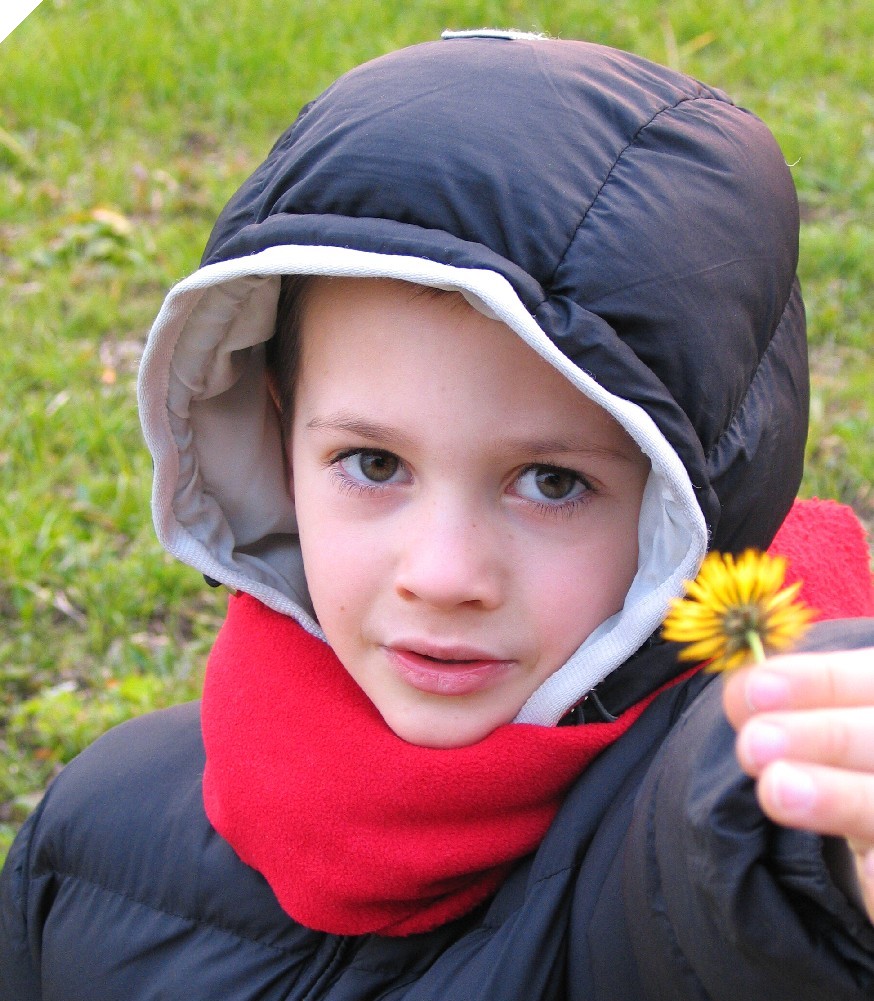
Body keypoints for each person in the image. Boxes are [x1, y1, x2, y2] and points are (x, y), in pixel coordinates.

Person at [1, 30, 873, 1000]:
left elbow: (738, 871)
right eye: (373, 463)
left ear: (690, 509)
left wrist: (827, 851)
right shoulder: (93, 836)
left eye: (549, 480)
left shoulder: (696, 839)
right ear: (277, 437)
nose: (443, 572)